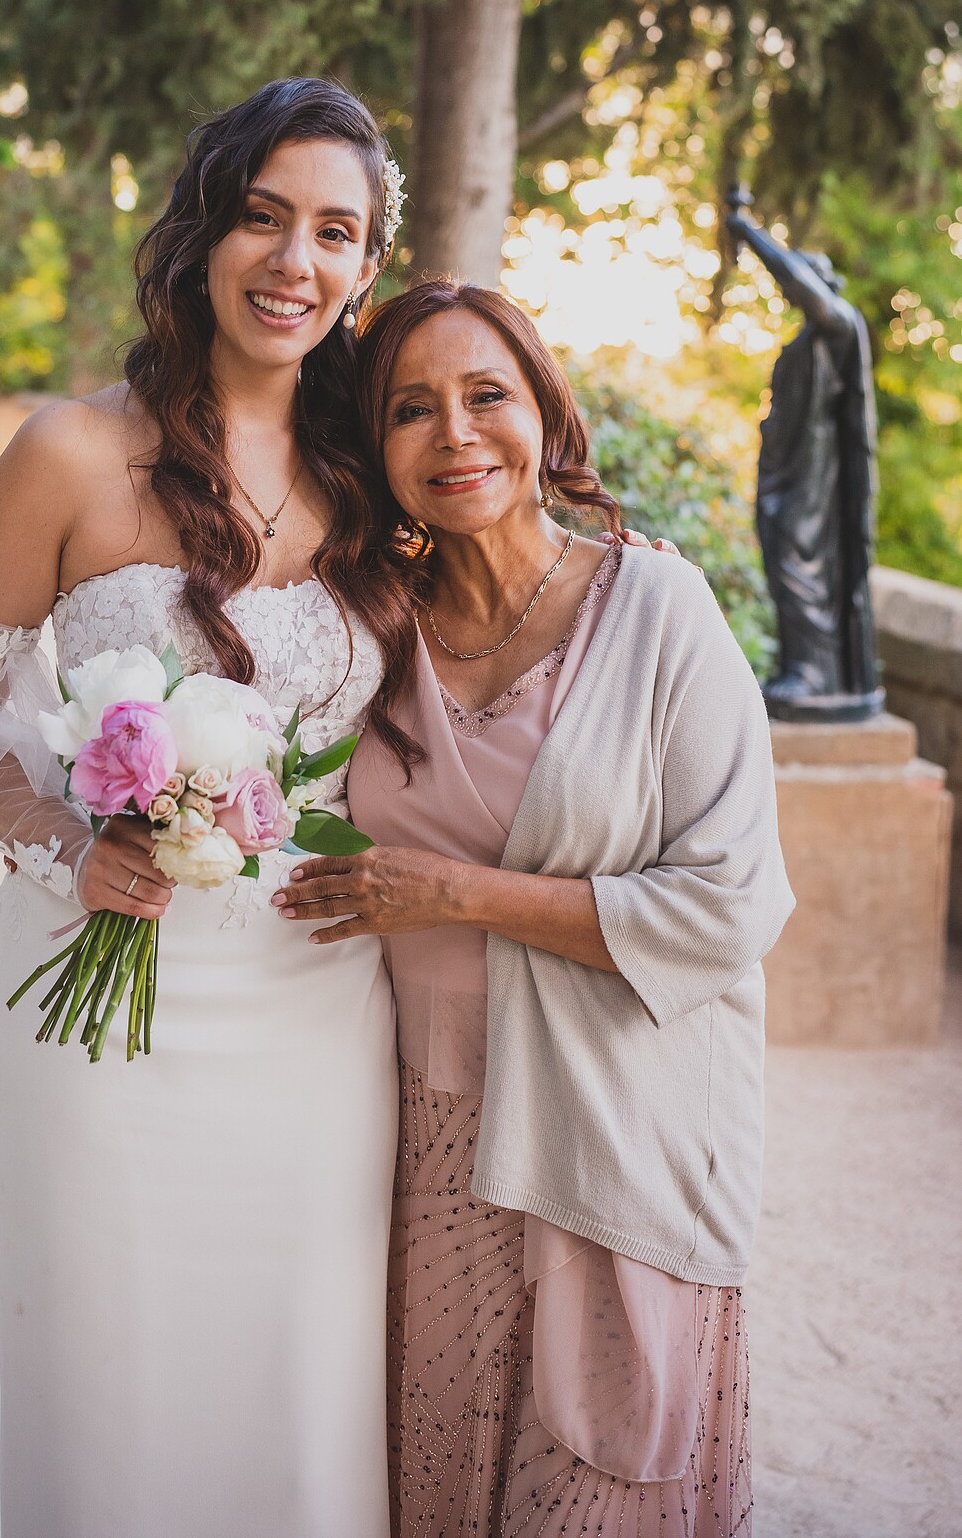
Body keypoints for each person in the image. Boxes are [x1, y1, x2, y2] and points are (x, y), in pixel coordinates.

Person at [0, 79, 422, 1538]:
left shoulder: (369, 474)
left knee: (299, 1361)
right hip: (94, 1004)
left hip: (320, 1003)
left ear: (368, 270)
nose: (295, 262)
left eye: (336, 233)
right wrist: (73, 843)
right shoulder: (69, 454)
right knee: (115, 1365)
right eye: (264, 217)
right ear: (205, 229)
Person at [274, 281, 795, 1538]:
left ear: (540, 411)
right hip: (425, 1139)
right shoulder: (365, 630)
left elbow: (731, 902)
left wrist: (451, 892)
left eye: (485, 394)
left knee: (593, 1482)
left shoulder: (657, 610)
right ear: (372, 446)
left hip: (612, 1119)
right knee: (434, 1479)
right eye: (411, 409)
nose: (455, 434)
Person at [726, 195, 882, 719]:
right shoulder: (806, 342)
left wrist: (748, 229)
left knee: (799, 563)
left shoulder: (840, 328)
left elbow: (796, 282)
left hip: (815, 478)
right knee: (783, 564)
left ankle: (815, 672)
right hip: (787, 472)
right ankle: (804, 664)